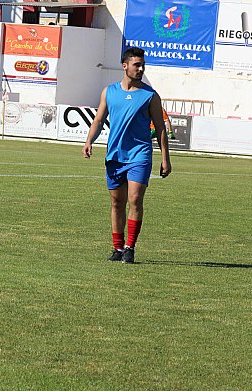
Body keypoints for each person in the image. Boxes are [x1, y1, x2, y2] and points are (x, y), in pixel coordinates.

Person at [82, 47, 172, 264]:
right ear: (125, 66)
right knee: (116, 202)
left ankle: (130, 248)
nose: (141, 69)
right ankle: (117, 247)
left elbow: (160, 127)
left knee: (134, 199)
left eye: (143, 65)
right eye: (136, 65)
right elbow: (98, 120)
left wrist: (165, 158)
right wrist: (88, 141)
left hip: (140, 155)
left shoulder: (150, 95)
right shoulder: (109, 92)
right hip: (115, 155)